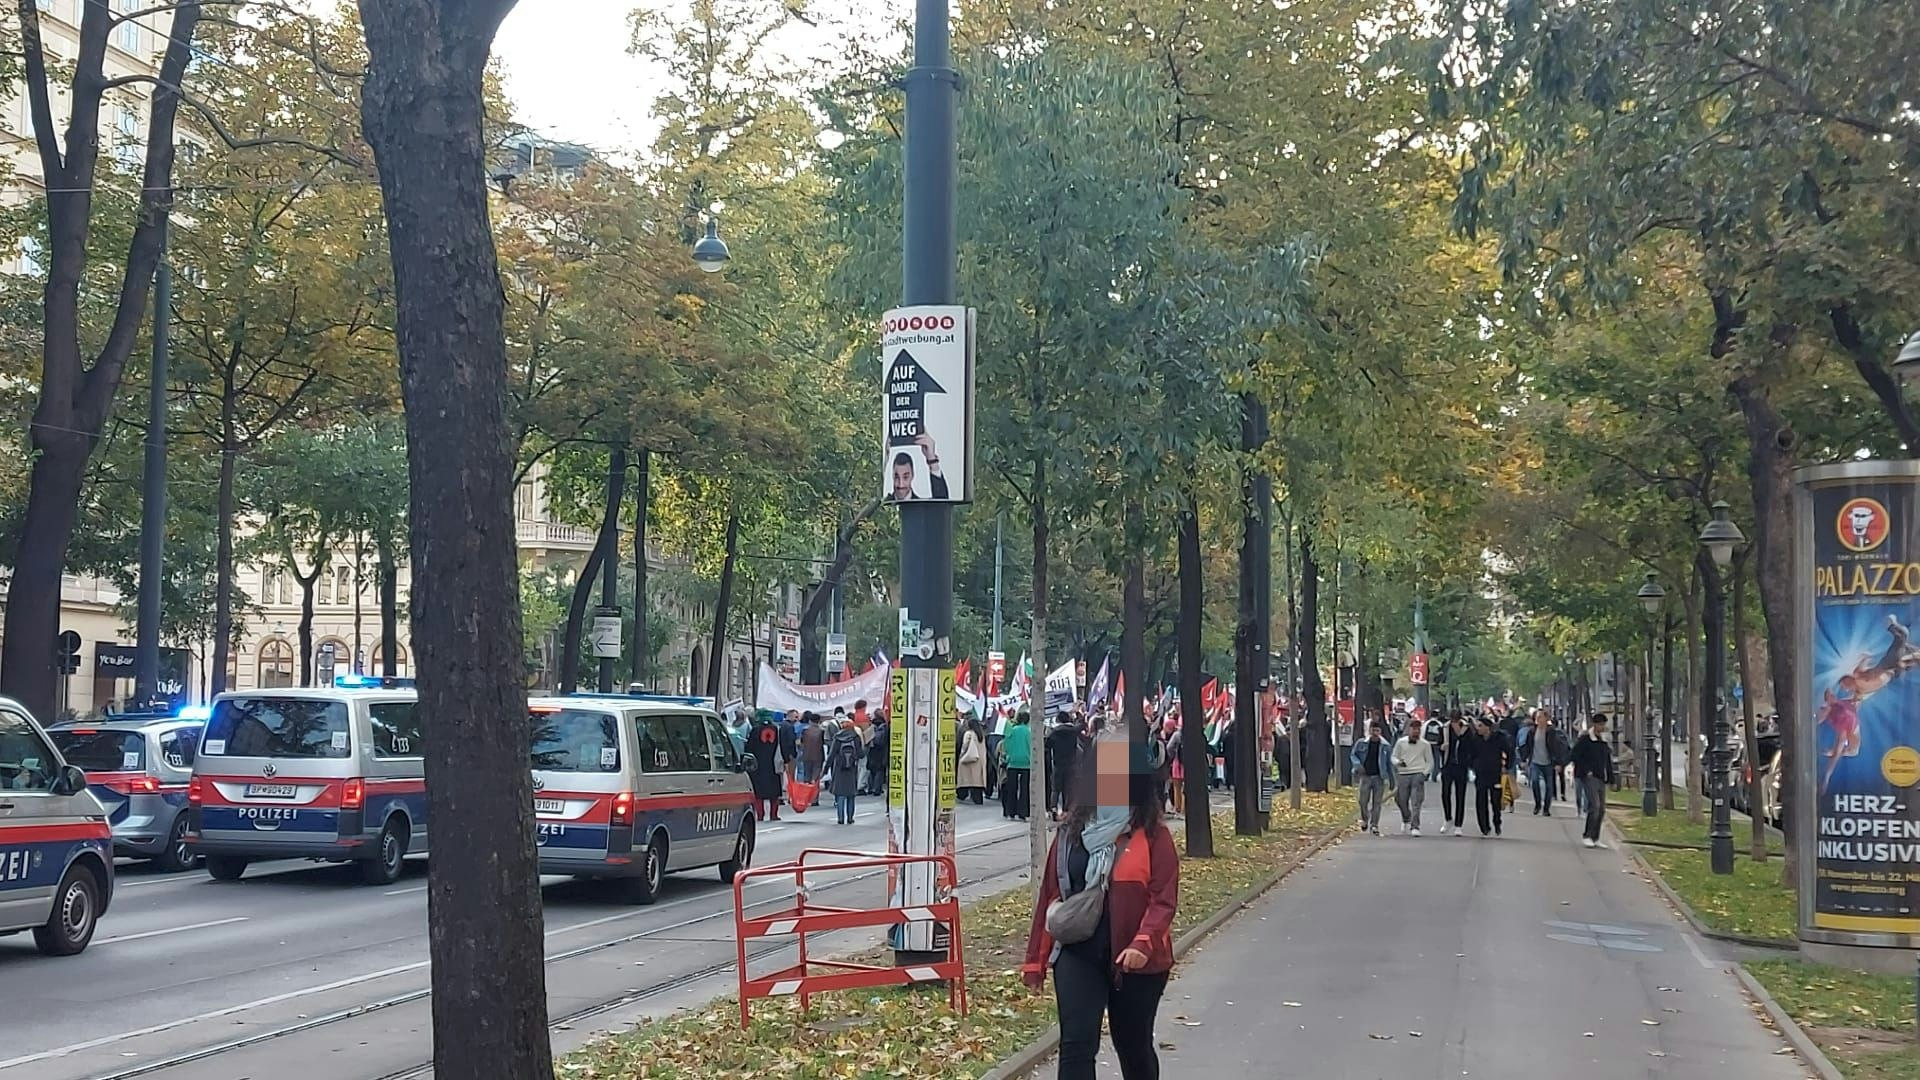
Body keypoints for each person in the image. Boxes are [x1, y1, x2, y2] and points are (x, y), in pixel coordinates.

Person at [1023, 730, 1179, 1080]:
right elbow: (1051, 895)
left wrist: (1143, 942)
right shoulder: (1070, 833)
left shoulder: (1154, 836)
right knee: (1077, 1046)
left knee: (1134, 1046)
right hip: (1078, 953)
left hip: (1137, 962)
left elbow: (1163, 899)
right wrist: (1035, 960)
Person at [1573, 714, 1616, 847]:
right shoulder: (1586, 739)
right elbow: (1575, 755)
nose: (1602, 727)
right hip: (1589, 776)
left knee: (1602, 808)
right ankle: (1587, 835)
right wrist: (1586, 770)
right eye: (1599, 724)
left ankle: (1595, 837)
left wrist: (1611, 777)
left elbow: (1607, 761)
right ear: (1594, 724)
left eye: (1603, 724)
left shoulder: (1603, 741)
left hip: (1600, 777)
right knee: (1594, 806)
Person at [1519, 709, 1570, 816]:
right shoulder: (1532, 731)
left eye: (1541, 717)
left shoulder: (1552, 732)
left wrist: (1558, 763)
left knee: (1549, 786)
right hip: (1535, 762)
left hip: (1549, 763)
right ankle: (1538, 804)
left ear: (1546, 719)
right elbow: (1527, 747)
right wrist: (1524, 760)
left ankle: (1546, 808)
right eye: (1537, 717)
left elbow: (1557, 748)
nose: (1538, 719)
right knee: (1535, 781)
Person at [1468, 715, 1513, 837]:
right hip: (1481, 773)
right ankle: (1484, 826)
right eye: (1477, 726)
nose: (1478, 728)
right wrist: (1473, 765)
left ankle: (1497, 821)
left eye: (1480, 726)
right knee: (1480, 800)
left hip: (1495, 773)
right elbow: (1471, 754)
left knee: (1495, 800)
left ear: (1488, 727)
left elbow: (1509, 752)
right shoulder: (1475, 739)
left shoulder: (1499, 738)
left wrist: (1507, 766)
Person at [1349, 720, 1394, 836]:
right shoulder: (1362, 743)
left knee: (1377, 802)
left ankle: (1374, 825)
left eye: (1377, 730)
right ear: (1370, 731)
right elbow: (1353, 754)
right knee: (1362, 801)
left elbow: (1389, 763)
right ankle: (1365, 818)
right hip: (1365, 776)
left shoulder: (1385, 746)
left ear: (1380, 732)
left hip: (1379, 777)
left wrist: (1392, 780)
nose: (1375, 733)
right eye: (1373, 730)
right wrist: (1358, 765)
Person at [1390, 720, 1433, 836]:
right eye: (1414, 729)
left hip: (1418, 773)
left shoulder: (1425, 744)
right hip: (1403, 773)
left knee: (1416, 801)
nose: (1416, 732)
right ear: (1409, 730)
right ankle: (1406, 817)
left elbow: (1429, 761)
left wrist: (1424, 773)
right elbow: (1393, 756)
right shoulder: (1401, 742)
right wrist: (1398, 762)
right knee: (1401, 799)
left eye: (1418, 729)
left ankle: (1415, 826)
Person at [746, 714, 786, 821]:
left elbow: (749, 748)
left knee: (759, 792)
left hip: (758, 765)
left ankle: (760, 815)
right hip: (773, 765)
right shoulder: (777, 730)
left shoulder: (755, 730)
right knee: (774, 792)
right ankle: (774, 815)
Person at [1438, 713, 1474, 836]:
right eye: (1452, 720)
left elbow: (1471, 745)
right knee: (1445, 793)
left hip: (1461, 766)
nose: (1454, 723)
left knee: (1460, 795)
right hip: (1448, 764)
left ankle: (1459, 824)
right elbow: (1438, 744)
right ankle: (1448, 818)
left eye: (1456, 720)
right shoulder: (1444, 729)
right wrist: (1441, 747)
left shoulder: (1467, 729)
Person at [1047, 711, 1084, 820]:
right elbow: (1083, 725)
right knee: (1068, 790)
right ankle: (1066, 811)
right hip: (1071, 764)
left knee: (1055, 789)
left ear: (1058, 720)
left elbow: (1047, 745)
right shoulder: (1073, 731)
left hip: (1057, 764)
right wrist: (1079, 714)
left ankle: (1053, 808)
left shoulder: (1053, 732)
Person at [829, 718, 864, 825]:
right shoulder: (855, 738)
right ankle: (850, 818)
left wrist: (825, 769)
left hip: (839, 768)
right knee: (851, 795)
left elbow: (831, 755)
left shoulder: (837, 738)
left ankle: (840, 818)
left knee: (840, 794)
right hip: (851, 769)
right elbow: (860, 754)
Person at [1002, 709, 1033, 820]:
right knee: (1025, 790)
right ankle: (1023, 813)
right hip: (1026, 764)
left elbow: (1006, 745)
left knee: (1012, 789)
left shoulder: (1012, 730)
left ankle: (1010, 812)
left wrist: (1008, 756)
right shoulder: (1029, 732)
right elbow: (1031, 747)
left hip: (1012, 762)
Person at [957, 718, 988, 804]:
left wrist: (961, 756)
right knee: (977, 781)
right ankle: (978, 798)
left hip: (969, 759)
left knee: (966, 779)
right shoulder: (981, 735)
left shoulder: (968, 734)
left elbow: (964, 746)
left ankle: (962, 795)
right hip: (980, 760)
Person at [864, 710, 890, 797]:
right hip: (881, 751)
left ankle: (871, 787)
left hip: (872, 750)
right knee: (880, 770)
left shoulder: (871, 725)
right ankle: (877, 789)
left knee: (872, 769)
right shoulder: (884, 726)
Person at [796, 712, 825, 787]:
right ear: (819, 721)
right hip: (818, 756)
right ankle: (814, 797)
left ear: (810, 721)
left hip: (806, 755)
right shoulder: (821, 731)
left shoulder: (805, 730)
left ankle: (807, 795)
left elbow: (800, 742)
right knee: (815, 777)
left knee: (807, 776)